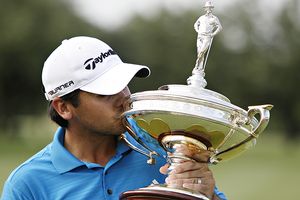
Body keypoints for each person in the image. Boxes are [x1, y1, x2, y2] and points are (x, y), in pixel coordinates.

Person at [1, 36, 227, 200]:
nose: (124, 98)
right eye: (105, 92)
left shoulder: (162, 145)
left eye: (124, 84)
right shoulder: (27, 184)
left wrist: (207, 196)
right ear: (63, 107)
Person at [194, 1, 222, 71]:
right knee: (199, 52)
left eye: (210, 8)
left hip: (207, 37)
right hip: (200, 36)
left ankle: (196, 66)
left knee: (202, 52)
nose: (208, 9)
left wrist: (213, 34)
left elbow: (220, 27)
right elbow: (195, 24)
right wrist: (198, 31)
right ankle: (199, 68)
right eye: (207, 7)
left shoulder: (214, 18)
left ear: (212, 9)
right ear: (205, 9)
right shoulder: (201, 17)